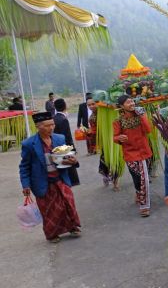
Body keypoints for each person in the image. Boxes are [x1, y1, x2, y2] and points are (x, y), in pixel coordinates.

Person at [19, 111, 81, 243]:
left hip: (60, 178)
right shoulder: (29, 144)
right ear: (38, 126)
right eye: (47, 126)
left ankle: (73, 227)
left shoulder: (60, 138)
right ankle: (52, 234)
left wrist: (73, 161)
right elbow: (24, 166)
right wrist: (25, 185)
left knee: (68, 204)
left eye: (52, 125)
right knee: (49, 210)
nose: (51, 128)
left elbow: (68, 155)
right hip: (42, 182)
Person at [113, 95, 153, 217]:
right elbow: (115, 137)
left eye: (132, 101)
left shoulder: (141, 115)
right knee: (136, 178)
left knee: (144, 178)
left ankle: (144, 206)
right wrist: (118, 138)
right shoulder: (118, 121)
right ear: (121, 106)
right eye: (127, 102)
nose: (131, 103)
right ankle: (138, 193)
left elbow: (148, 130)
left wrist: (141, 115)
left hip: (143, 152)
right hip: (130, 154)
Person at [87, 98, 119, 190]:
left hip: (113, 139)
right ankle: (106, 175)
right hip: (103, 142)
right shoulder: (92, 118)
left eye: (93, 104)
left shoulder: (107, 111)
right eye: (89, 105)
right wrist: (88, 133)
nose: (91, 106)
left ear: (98, 103)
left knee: (115, 159)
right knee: (105, 160)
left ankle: (115, 182)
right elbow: (94, 131)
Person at [53, 98, 80, 186]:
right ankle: (71, 182)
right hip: (64, 147)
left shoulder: (54, 118)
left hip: (56, 146)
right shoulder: (63, 119)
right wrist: (72, 148)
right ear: (65, 106)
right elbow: (67, 136)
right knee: (69, 165)